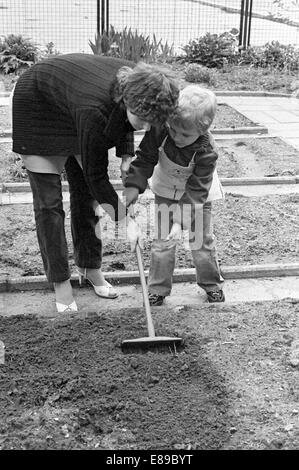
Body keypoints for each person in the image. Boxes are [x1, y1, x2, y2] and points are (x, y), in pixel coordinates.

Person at [11, 53, 179, 312]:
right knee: (49, 205)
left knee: (85, 195)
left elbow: (124, 120)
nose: (146, 126)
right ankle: (60, 282)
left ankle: (89, 266)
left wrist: (125, 153)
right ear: (128, 102)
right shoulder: (94, 111)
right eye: (143, 120)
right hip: (38, 105)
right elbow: (96, 176)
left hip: (74, 102)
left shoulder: (143, 83)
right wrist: (125, 221)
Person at [123, 84, 225, 306]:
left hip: (199, 198)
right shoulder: (160, 130)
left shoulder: (206, 151)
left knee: (201, 242)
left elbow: (197, 189)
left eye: (185, 134)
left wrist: (180, 222)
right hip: (167, 191)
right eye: (173, 129)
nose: (177, 136)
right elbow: (145, 158)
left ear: (203, 129)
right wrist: (133, 185)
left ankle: (211, 284)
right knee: (163, 242)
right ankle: (158, 289)